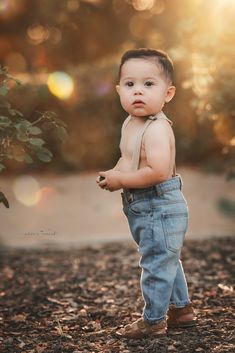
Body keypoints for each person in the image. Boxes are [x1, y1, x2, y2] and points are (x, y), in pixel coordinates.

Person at [96, 48, 196, 339]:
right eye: (130, 85)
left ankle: (153, 321)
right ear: (119, 91)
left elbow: (158, 172)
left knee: (156, 262)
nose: (138, 92)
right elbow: (128, 159)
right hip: (144, 207)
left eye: (148, 84)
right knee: (166, 257)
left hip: (159, 205)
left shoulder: (157, 130)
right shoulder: (131, 123)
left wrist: (122, 179)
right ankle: (181, 309)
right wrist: (114, 173)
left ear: (168, 93)